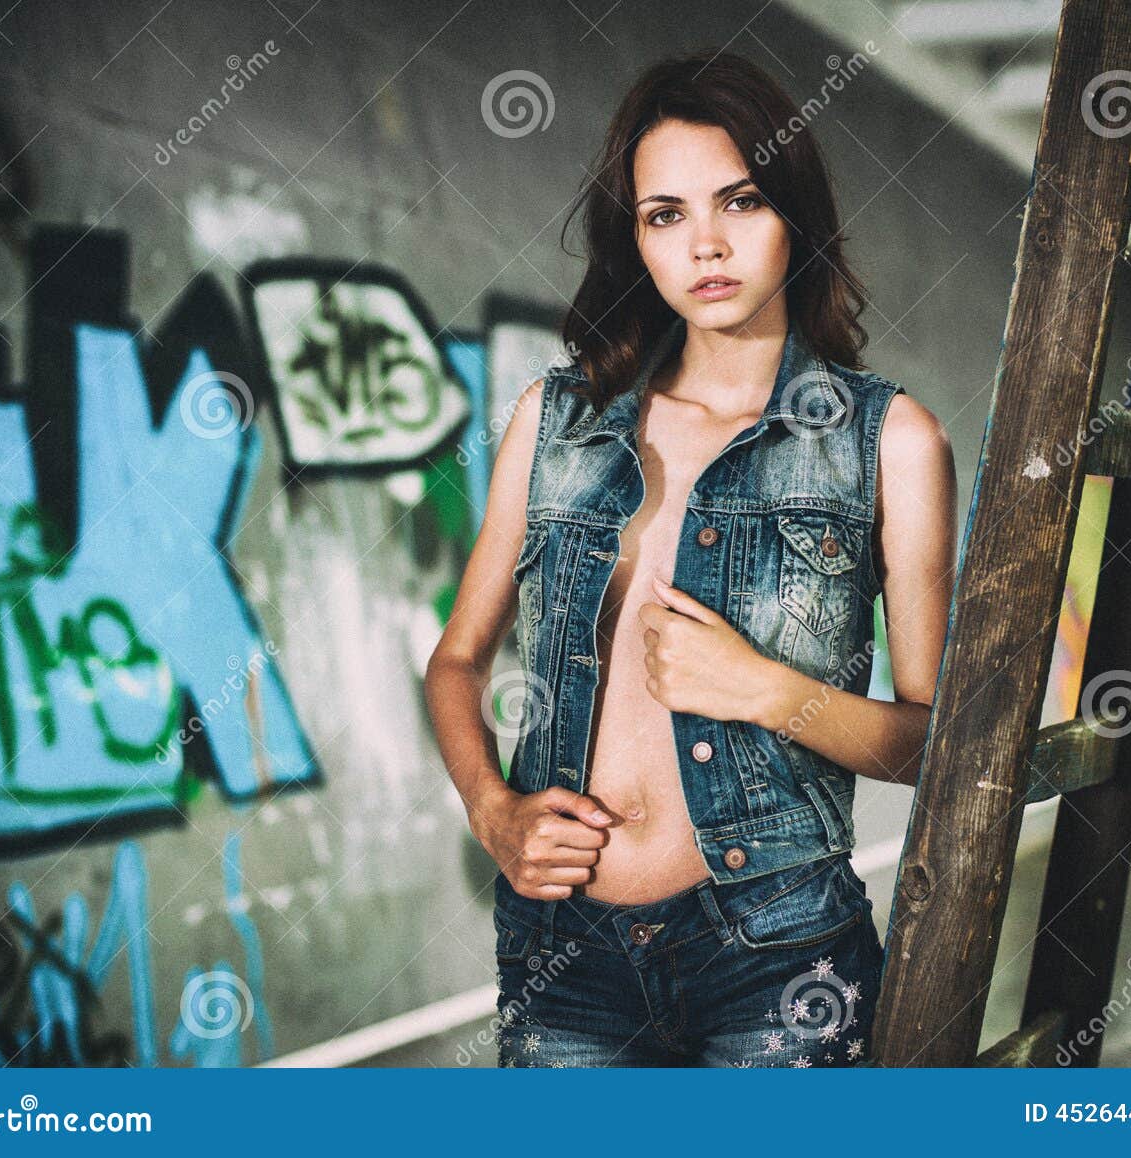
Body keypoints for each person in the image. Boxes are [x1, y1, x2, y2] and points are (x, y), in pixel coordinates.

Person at [424, 49, 956, 1067]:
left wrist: (767, 692)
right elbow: (456, 662)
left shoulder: (887, 442)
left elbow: (932, 745)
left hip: (776, 955)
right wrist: (495, 814)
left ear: (793, 212)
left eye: (740, 202)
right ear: (635, 238)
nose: (704, 244)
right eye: (664, 214)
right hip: (562, 956)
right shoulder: (555, 420)